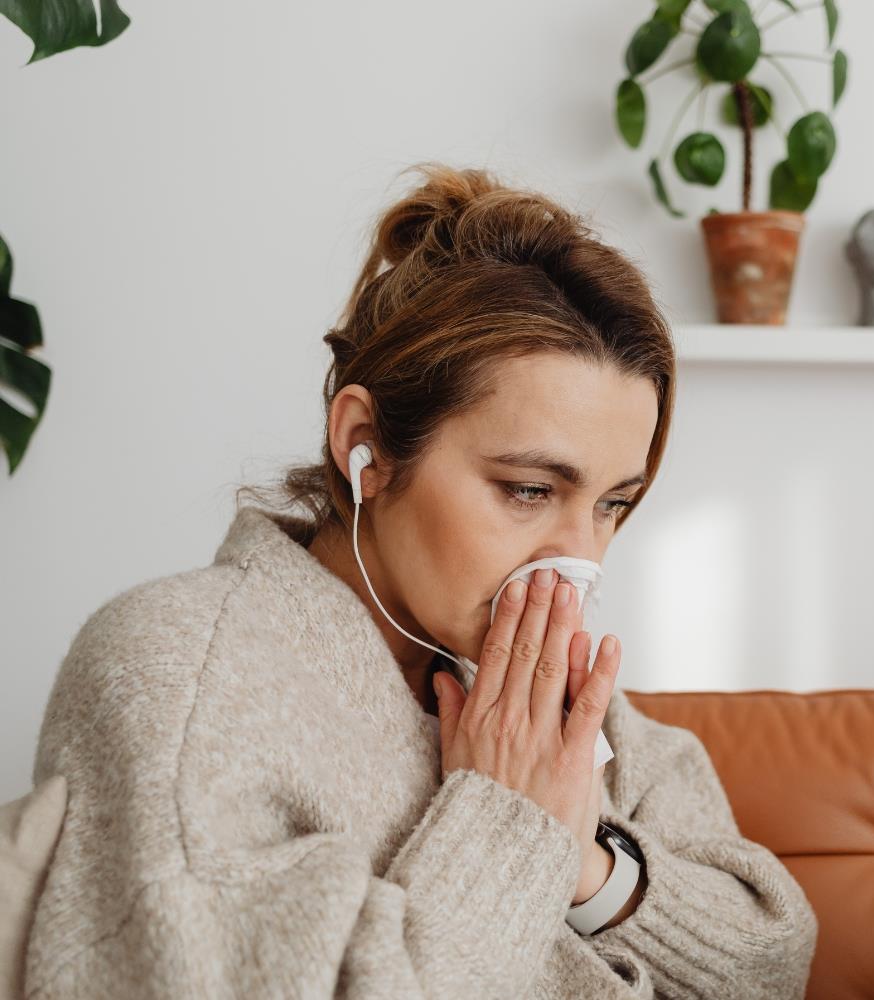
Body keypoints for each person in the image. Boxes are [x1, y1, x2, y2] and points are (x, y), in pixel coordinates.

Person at [25, 164, 819, 998]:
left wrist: (586, 863)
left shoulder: (537, 693)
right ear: (363, 446)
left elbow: (773, 958)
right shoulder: (176, 675)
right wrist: (511, 824)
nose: (576, 562)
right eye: (529, 490)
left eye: (612, 504)